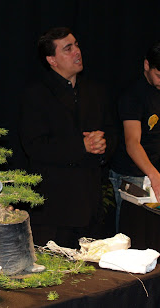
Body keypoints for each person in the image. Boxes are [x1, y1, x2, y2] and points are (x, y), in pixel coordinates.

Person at [19, 27, 116, 249]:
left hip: (91, 207)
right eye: (68, 48)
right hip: (54, 210)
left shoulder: (96, 91)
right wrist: (81, 146)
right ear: (51, 60)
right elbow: (34, 146)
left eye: (77, 45)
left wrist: (103, 145)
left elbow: (112, 133)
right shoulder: (36, 94)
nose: (77, 52)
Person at [109, 40, 160, 232]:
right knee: (132, 230)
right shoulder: (132, 95)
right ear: (146, 65)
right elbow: (132, 143)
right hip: (130, 171)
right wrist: (154, 176)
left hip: (157, 165)